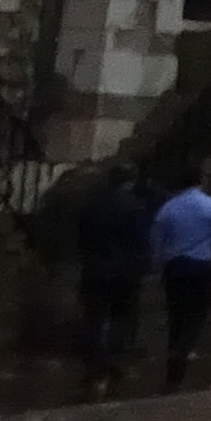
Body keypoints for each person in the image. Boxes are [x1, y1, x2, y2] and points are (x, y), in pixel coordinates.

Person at [148, 167, 211, 391]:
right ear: (200, 181)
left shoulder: (168, 208)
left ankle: (174, 352)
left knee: (176, 314)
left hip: (175, 267)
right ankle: (182, 351)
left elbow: (157, 240)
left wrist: (158, 266)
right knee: (197, 313)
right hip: (202, 267)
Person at [71, 166, 151, 396]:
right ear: (130, 181)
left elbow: (82, 238)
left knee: (93, 318)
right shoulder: (134, 207)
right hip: (124, 272)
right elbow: (140, 241)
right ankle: (113, 360)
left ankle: (93, 364)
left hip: (95, 269)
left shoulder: (91, 205)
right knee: (121, 317)